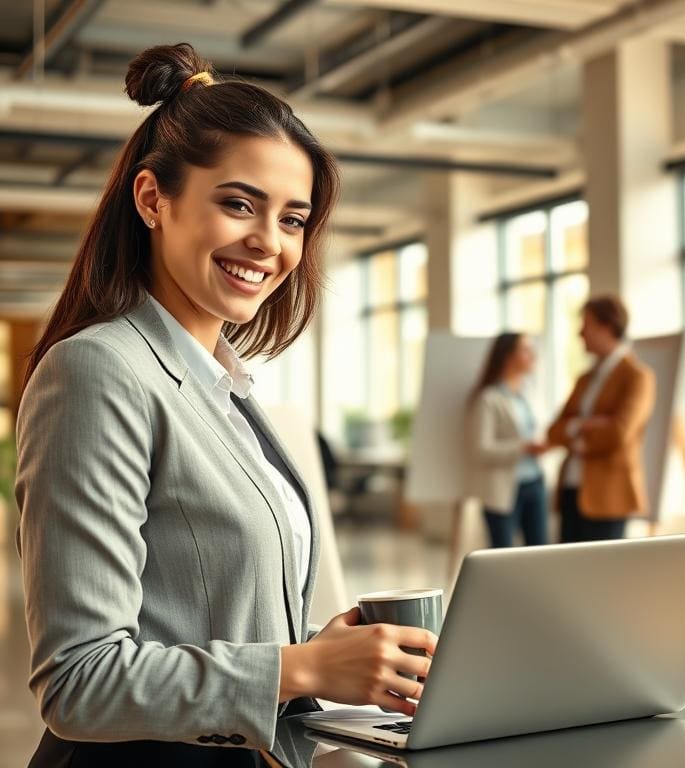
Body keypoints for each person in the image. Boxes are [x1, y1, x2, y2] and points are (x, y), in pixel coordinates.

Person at [15, 44, 436, 767]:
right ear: (153, 199)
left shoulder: (226, 385)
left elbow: (210, 611)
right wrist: (303, 670)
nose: (267, 243)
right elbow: (79, 681)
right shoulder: (95, 372)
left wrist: (326, 652)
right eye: (238, 203)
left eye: (293, 219)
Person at [547, 296, 655, 543]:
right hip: (571, 489)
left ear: (606, 327)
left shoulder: (637, 377)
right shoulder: (585, 378)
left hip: (609, 495)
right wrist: (582, 426)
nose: (580, 333)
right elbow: (554, 431)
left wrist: (574, 433)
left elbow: (618, 433)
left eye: (585, 325)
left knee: (602, 577)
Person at [465, 333, 550, 548]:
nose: (533, 356)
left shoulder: (529, 395)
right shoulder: (488, 398)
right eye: (526, 350)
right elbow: (480, 450)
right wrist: (522, 448)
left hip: (535, 483)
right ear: (507, 356)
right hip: (503, 489)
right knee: (503, 554)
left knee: (541, 551)